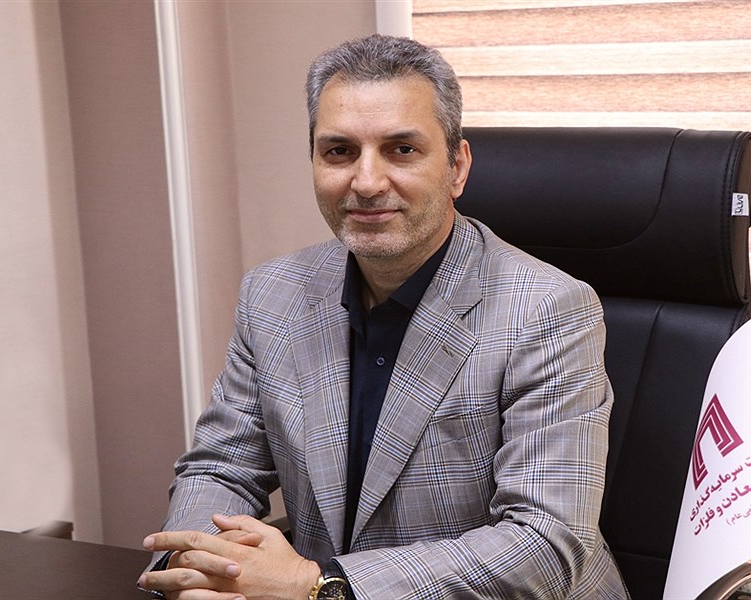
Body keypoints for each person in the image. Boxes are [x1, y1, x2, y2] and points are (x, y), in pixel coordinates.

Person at [139, 34, 628, 600]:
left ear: (457, 167)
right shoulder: (272, 294)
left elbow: (545, 542)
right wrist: (197, 565)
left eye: (401, 149)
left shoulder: (548, 310)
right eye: (339, 151)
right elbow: (221, 468)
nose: (367, 182)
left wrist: (321, 585)